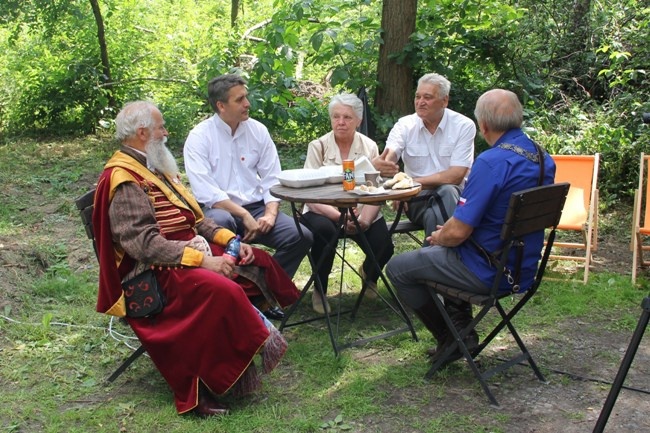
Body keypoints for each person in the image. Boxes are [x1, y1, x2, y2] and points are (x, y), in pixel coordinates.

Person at [93, 101, 300, 417]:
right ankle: (198, 388)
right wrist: (202, 261)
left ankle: (235, 367)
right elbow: (144, 245)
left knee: (254, 261)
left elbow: (194, 218)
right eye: (161, 127)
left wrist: (229, 239)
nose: (166, 132)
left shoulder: (152, 164)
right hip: (151, 272)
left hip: (182, 251)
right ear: (142, 133)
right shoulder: (123, 178)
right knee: (223, 289)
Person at [386, 89, 556, 367]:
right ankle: (458, 328)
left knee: (399, 268)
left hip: (486, 269)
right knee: (438, 243)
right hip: (522, 267)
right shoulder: (541, 158)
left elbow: (457, 234)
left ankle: (451, 338)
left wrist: (441, 235)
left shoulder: (491, 163)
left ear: (483, 125)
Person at [183, 73, 313, 280]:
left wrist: (270, 214)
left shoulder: (257, 130)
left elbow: (273, 177)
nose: (247, 103)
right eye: (239, 99)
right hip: (218, 210)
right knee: (220, 221)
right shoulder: (200, 137)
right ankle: (230, 290)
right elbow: (206, 191)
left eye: (246, 97)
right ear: (221, 106)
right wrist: (244, 216)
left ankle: (265, 291)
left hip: (257, 207)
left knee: (300, 236)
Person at [301, 93, 395, 314]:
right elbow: (309, 193)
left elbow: (374, 189)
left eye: (347, 117)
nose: (340, 122)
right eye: (336, 117)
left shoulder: (369, 146)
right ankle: (320, 289)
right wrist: (339, 217)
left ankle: (369, 275)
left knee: (384, 245)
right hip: (323, 209)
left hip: (361, 210)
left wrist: (363, 220)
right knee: (324, 233)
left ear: (358, 121)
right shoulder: (319, 146)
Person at [372, 73, 476, 238]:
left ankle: (431, 257)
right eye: (417, 96)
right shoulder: (405, 125)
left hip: (455, 197)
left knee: (441, 201)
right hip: (416, 199)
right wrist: (382, 164)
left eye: (427, 97)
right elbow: (390, 154)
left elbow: (455, 176)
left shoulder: (463, 126)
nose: (420, 102)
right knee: (445, 195)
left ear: (445, 101)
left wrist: (409, 184)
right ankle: (441, 256)